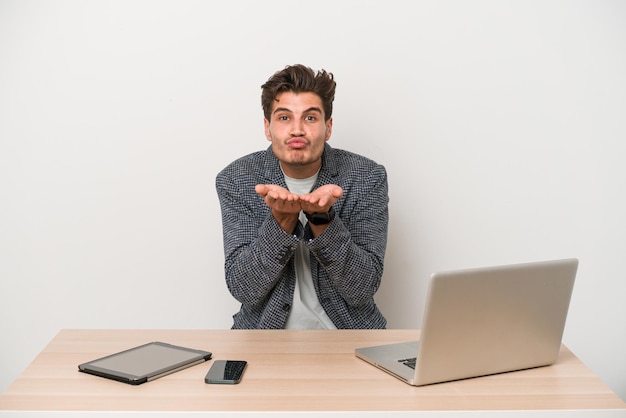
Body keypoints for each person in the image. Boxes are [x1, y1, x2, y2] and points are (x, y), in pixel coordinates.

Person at [215, 64, 389, 329]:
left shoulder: (366, 177)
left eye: (310, 118)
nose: (297, 130)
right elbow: (244, 289)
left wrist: (323, 220)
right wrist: (282, 222)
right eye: (284, 118)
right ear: (267, 127)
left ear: (328, 127)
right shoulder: (237, 179)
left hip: (349, 338)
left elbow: (362, 288)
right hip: (265, 340)